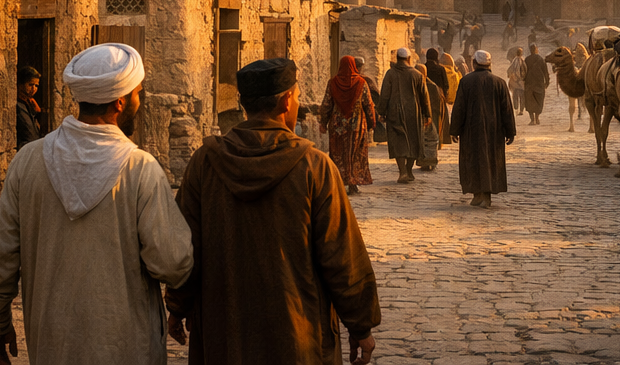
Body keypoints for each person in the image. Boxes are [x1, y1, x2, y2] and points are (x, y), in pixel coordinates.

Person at [0, 44, 192, 365]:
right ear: (121, 102)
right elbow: (173, 263)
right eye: (138, 95)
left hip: (53, 344)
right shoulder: (140, 169)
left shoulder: (28, 161)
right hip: (127, 346)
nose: (140, 101)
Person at [166, 58, 380, 364]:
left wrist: (177, 305)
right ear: (286, 100)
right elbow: (340, 255)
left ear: (243, 103)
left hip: (226, 336)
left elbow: (184, 245)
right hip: (297, 337)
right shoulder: (314, 166)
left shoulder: (204, 163)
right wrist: (360, 325)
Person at [449, 49, 517, 208]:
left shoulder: (466, 82)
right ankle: (482, 196)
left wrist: (455, 130)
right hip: (494, 132)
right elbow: (507, 109)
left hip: (471, 131)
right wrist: (510, 131)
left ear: (474, 63)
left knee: (473, 160)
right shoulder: (499, 82)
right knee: (490, 160)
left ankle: (481, 195)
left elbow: (459, 108)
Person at [320, 56, 376, 195]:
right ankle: (353, 183)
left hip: (337, 125)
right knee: (355, 153)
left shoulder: (332, 83)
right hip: (356, 125)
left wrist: (323, 122)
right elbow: (368, 104)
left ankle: (338, 182)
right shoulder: (361, 83)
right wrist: (371, 122)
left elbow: (327, 104)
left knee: (338, 153)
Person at [379, 47, 431, 184]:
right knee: (414, 140)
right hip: (413, 112)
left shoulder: (390, 74)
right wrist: (427, 114)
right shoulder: (417, 75)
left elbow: (384, 95)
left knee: (398, 141)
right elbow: (424, 97)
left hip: (394, 112)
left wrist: (381, 112)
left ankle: (402, 171)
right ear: (408, 59)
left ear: (397, 58)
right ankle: (408, 170)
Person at [414, 63, 444, 172]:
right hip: (427, 117)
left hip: (428, 118)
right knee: (426, 141)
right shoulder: (431, 86)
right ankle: (425, 162)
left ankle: (429, 162)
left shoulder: (430, 86)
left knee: (429, 140)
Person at [15, 65, 44, 147]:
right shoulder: (16, 104)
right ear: (20, 84)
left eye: (36, 85)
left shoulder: (31, 104)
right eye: (30, 84)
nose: (34, 89)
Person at [522, 43, 550, 126]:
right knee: (538, 100)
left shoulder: (527, 59)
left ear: (530, 50)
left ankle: (532, 120)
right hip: (539, 83)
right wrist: (547, 82)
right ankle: (537, 118)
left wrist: (522, 80)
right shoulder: (540, 59)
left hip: (529, 83)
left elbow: (523, 71)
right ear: (536, 50)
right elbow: (545, 72)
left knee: (529, 101)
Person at [506, 47, 526, 116]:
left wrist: (510, 76)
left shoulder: (514, 61)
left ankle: (516, 109)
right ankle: (521, 110)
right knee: (522, 96)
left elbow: (509, 70)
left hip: (514, 82)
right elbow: (525, 71)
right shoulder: (523, 61)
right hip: (521, 82)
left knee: (515, 96)